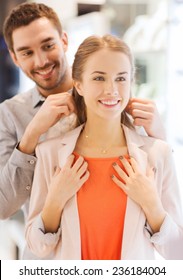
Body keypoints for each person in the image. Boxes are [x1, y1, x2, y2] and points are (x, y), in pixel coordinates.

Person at [25, 34, 183, 260]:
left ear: (131, 82)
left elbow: (178, 252)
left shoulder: (157, 153)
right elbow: (36, 245)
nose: (112, 89)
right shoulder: (50, 153)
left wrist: (152, 205)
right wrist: (55, 201)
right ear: (78, 84)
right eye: (99, 78)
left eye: (121, 78)